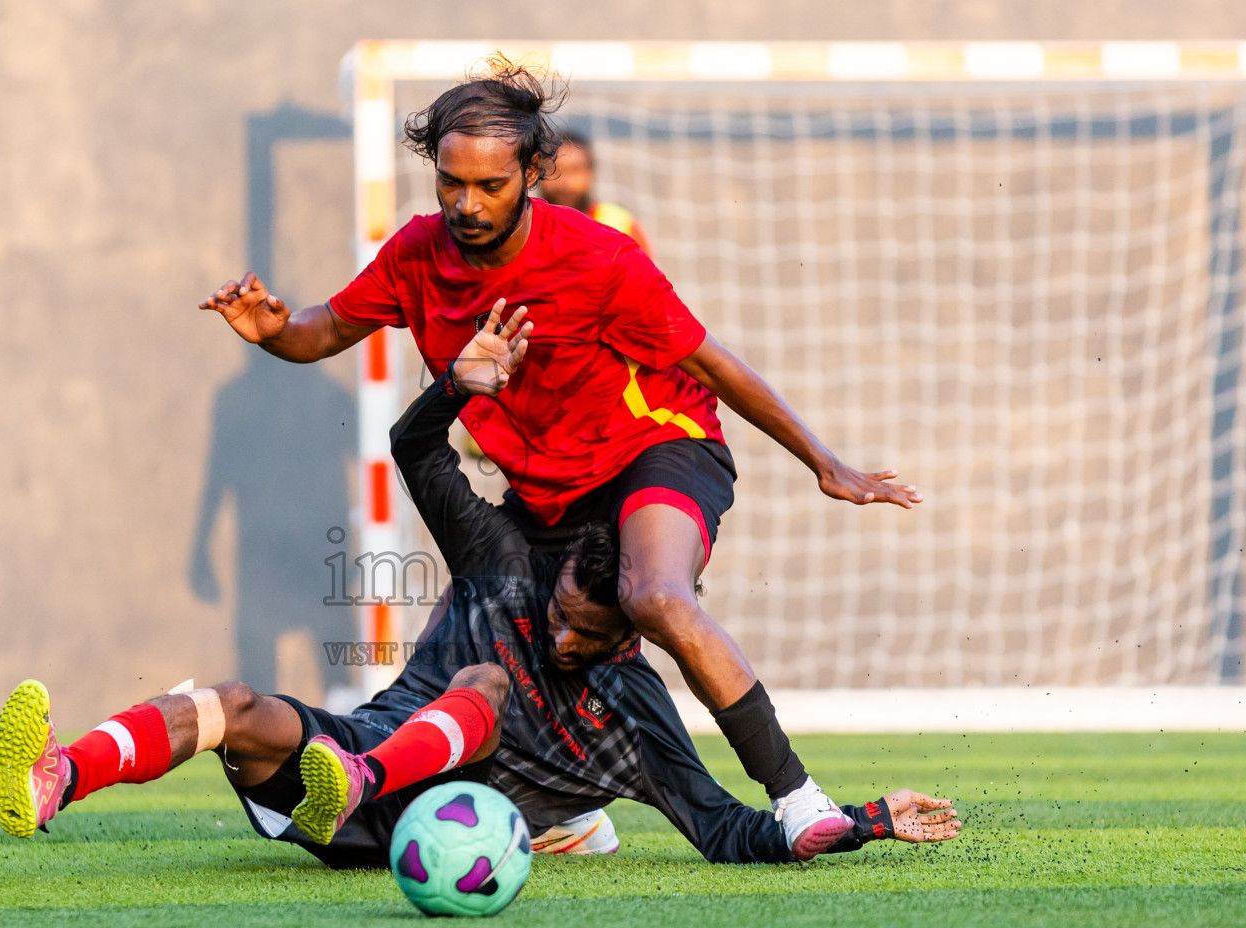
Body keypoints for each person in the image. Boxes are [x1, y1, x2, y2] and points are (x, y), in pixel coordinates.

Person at [199, 57, 922, 855]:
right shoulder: (417, 255)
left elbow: (713, 364)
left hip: (656, 450)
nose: (467, 205)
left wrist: (823, 462)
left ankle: (797, 798)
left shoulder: (599, 261)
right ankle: (560, 813)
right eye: (450, 184)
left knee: (653, 596)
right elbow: (325, 328)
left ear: (534, 172)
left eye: (490, 186)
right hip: (547, 491)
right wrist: (274, 332)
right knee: (481, 641)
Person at [0, 315, 960, 867]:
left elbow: (724, 828)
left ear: (636, 633)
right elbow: (414, 447)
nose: (567, 642)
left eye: (596, 638)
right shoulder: (503, 564)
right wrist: (459, 386)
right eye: (563, 619)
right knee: (231, 702)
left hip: (406, 821)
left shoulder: (635, 709)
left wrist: (864, 821)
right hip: (347, 770)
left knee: (485, 691)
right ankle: (54, 781)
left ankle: (372, 781)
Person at [537, 128, 653, 255]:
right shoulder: (524, 228)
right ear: (536, 174)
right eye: (554, 170)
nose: (565, 182)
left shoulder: (622, 227)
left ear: (590, 173)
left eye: (575, 170)